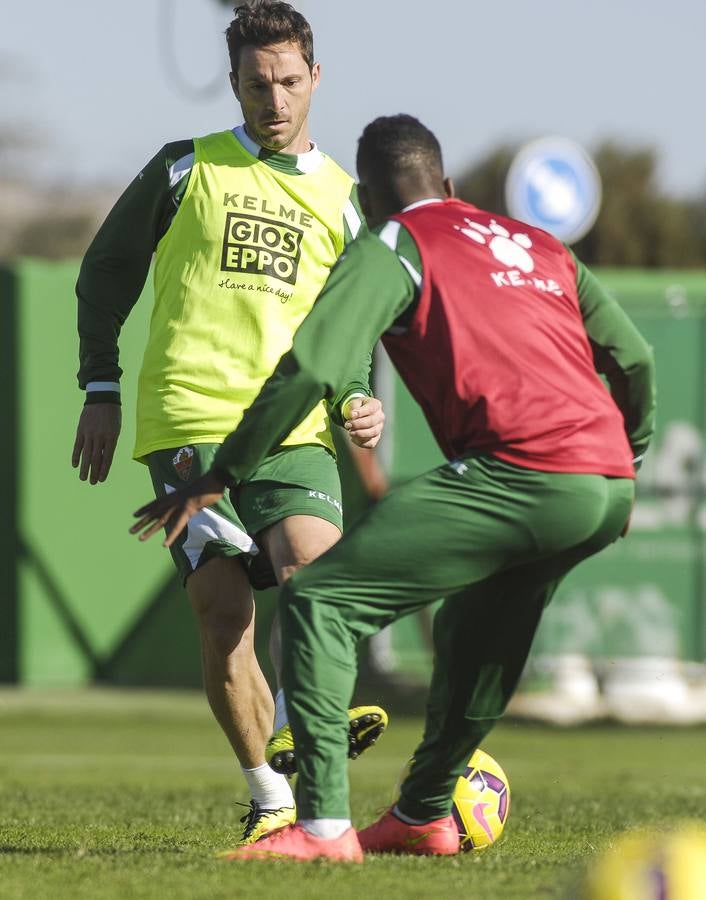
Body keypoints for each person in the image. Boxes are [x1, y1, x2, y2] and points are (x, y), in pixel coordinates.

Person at [130, 114, 657, 862]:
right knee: (478, 632)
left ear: (370, 200)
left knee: (319, 600)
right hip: (604, 482)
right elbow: (633, 361)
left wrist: (223, 472)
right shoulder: (541, 246)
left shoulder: (393, 242)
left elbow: (312, 368)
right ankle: (422, 814)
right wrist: (624, 464)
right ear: (450, 185)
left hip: (519, 470)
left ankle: (321, 831)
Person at [72, 1, 388, 846]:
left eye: (289, 82)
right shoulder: (185, 169)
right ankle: (271, 796)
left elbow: (348, 329)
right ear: (234, 84)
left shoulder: (348, 203)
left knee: (314, 579)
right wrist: (99, 387)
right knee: (223, 613)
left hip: (292, 428)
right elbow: (104, 274)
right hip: (189, 422)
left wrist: (357, 393)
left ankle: (295, 731)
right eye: (257, 85)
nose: (274, 101)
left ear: (315, 78)